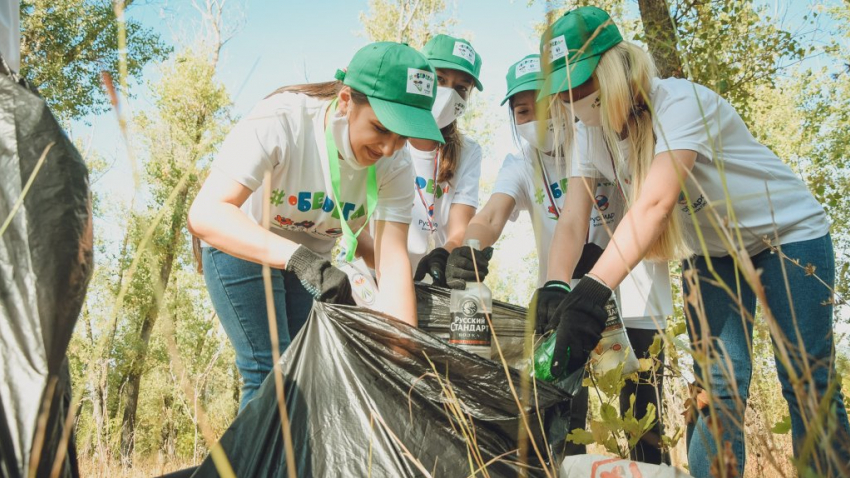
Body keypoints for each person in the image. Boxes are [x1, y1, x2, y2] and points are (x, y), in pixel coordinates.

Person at [535, 6, 850, 476]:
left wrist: (592, 293)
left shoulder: (678, 103)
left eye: (581, 85)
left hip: (786, 237)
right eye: (563, 92)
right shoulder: (589, 133)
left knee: (807, 379)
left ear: (614, 68)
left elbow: (655, 204)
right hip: (712, 251)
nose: (573, 100)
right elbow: (572, 219)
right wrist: (557, 287)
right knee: (716, 389)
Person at [187, 42, 443, 409]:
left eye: (402, 135)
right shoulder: (282, 120)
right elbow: (206, 213)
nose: (389, 148)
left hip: (312, 258)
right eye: (381, 128)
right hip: (240, 240)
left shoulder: (396, 164)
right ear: (345, 101)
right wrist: (300, 260)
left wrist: (406, 360)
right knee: (269, 371)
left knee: (304, 374)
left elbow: (392, 261)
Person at [447, 53, 670, 464]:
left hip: (634, 293)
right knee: (564, 413)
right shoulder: (521, 164)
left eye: (546, 104)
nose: (537, 118)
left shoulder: (603, 140)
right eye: (523, 110)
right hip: (562, 300)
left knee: (642, 414)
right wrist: (470, 248)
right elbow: (492, 214)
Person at [358, 34, 484, 286]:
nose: (448, 94)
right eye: (439, 80)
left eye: (461, 88)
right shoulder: (384, 137)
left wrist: (442, 256)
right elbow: (357, 228)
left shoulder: (468, 151)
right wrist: (398, 272)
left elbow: (460, 227)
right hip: (373, 276)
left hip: (433, 283)